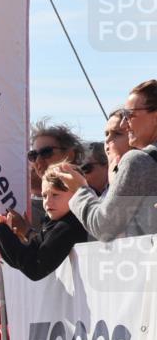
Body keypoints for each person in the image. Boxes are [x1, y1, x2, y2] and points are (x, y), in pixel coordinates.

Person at [59, 79, 157, 240]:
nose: (125, 124)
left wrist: (79, 190)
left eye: (129, 114)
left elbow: (103, 227)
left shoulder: (138, 161)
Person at [0, 163, 88, 281]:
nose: (48, 202)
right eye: (44, 196)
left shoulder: (68, 226)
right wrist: (4, 233)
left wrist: (2, 233)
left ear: (76, 195)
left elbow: (35, 269)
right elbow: (22, 260)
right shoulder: (54, 224)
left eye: (55, 195)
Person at [24, 120, 83, 234]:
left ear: (69, 154)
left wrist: (26, 232)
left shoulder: (86, 196)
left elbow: (51, 248)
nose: (38, 161)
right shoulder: (31, 206)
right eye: (33, 155)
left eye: (46, 152)